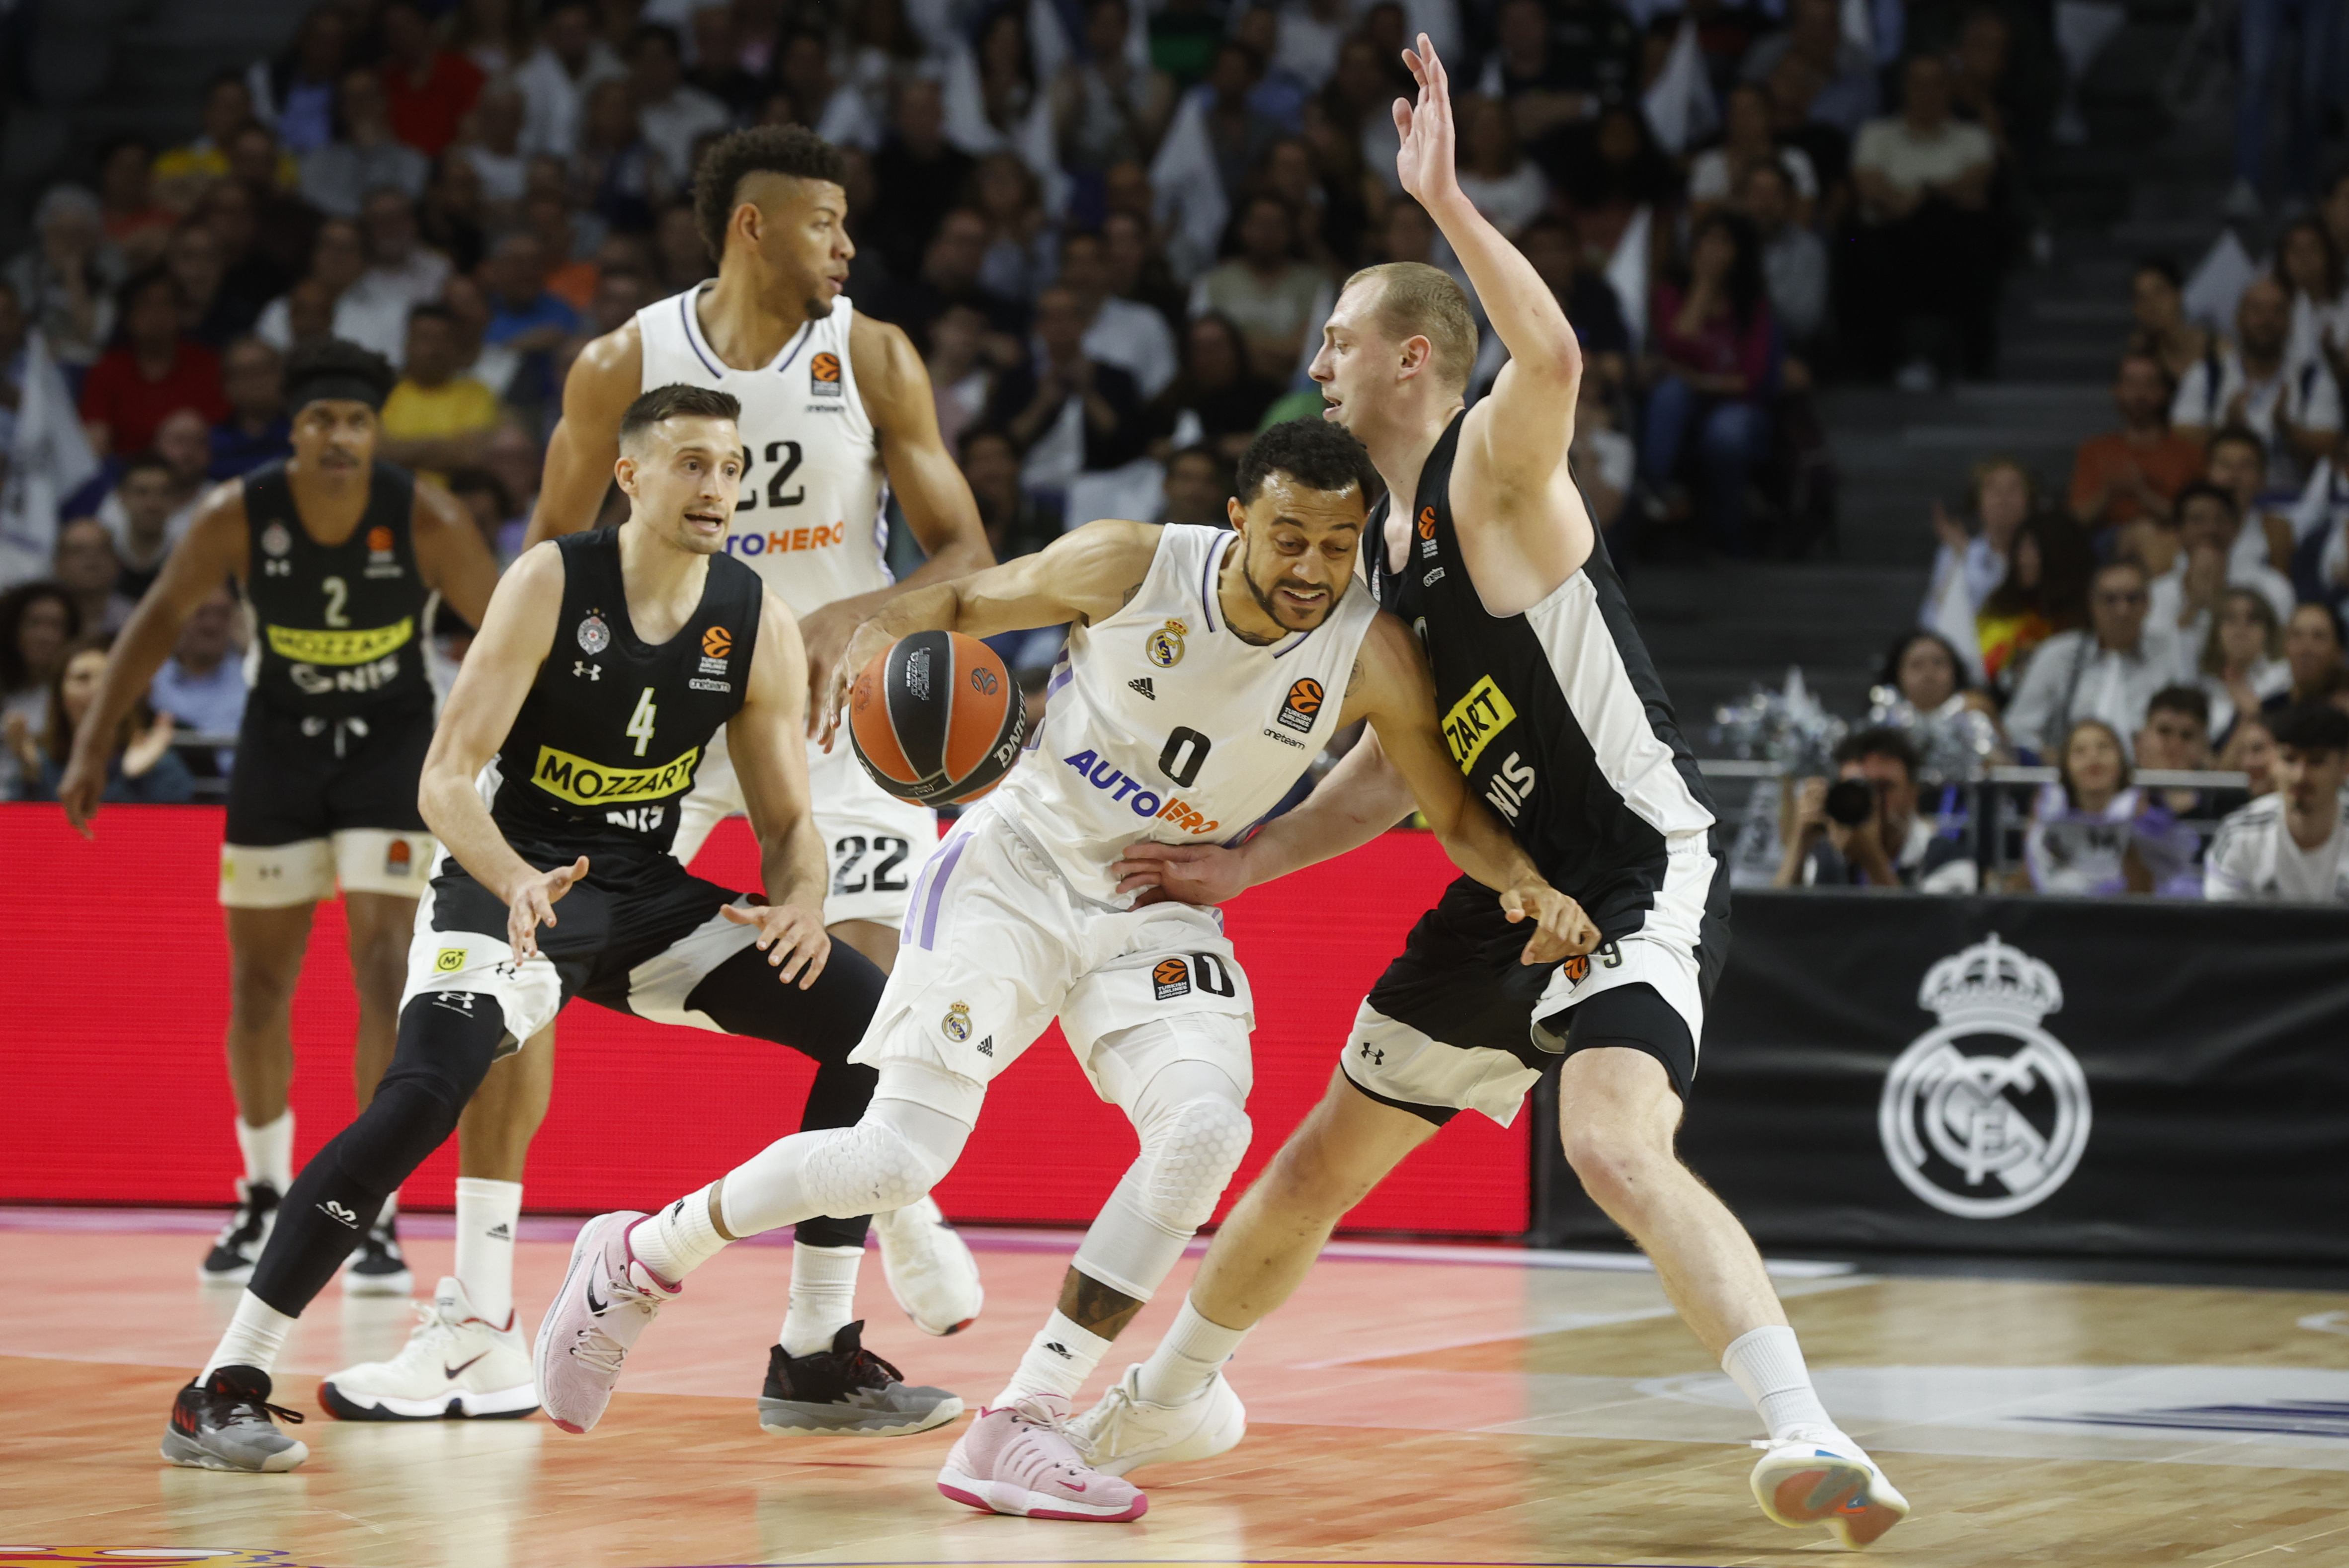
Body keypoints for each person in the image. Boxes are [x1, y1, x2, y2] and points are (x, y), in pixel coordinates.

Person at [1074, 40, 1908, 1550]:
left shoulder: (1485, 477)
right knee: (1320, 1158)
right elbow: (1394, 774)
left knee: (1608, 1143)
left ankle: (1806, 1426)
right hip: (1506, 887)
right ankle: (1175, 1390)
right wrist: (1239, 864)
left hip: (1637, 868)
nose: (1314, 362)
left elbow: (1563, 362)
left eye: (1337, 339)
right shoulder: (1379, 567)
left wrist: (1446, 201)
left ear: (1408, 356)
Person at [531, 416, 1590, 1518]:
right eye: (1288, 539)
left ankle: (1023, 1419)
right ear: (1236, 523)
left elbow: (1444, 802)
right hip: (1016, 868)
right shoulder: (1130, 561)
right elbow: (952, 601)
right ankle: (641, 1254)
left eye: (1335, 544)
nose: (1311, 569)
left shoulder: (1368, 654)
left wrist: (1523, 881)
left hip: (1156, 906)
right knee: (896, 1160)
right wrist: (872, 639)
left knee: (1204, 1131)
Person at [157, 384, 962, 1471]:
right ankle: (226, 1384)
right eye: (689, 464)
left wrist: (804, 902)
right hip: (503, 874)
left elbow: (786, 825)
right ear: (629, 476)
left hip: (638, 896)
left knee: (877, 1033)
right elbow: (445, 781)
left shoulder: (752, 616)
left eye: (728, 468)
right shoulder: (550, 582)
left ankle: (814, 1355)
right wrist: (514, 881)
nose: (715, 488)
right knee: (419, 1100)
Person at [527, 126, 998, 1357]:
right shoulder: (622, 360)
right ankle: (468, 1300)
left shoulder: (877, 355)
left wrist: (861, 612)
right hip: (662, 715)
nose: (848, 245)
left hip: (837, 720)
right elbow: (551, 561)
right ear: (753, 226)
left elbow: (965, 553)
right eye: (825, 222)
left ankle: (815, 1336)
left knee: (884, 1007)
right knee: (531, 974)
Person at [56, 340, 514, 1313]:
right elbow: (157, 618)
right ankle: (264, 1194)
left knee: (385, 968)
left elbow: (514, 631)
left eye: (354, 422)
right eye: (320, 422)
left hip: (390, 751)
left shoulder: (425, 517)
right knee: (260, 980)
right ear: (294, 432)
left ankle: (371, 1206)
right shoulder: (236, 514)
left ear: (374, 433)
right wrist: (96, 739)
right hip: (281, 750)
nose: (338, 437)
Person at [1847, 54, 2000, 386]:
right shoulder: (1876, 133)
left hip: (1948, 239)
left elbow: (1976, 180)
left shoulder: (1971, 136)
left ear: (1949, 89)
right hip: (1886, 236)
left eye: (1936, 84)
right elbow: (1869, 188)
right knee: (1865, 246)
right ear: (1904, 89)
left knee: (1965, 235)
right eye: (1918, 84)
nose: (1926, 93)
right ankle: (1878, 363)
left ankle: (1972, 362)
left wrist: (1917, 196)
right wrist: (1934, 193)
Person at [1640, 210, 1775, 554]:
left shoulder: (1753, 305)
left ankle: (1728, 531)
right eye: (1707, 239)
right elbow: (1674, 344)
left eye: (1724, 242)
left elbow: (1748, 379)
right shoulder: (1672, 292)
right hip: (1683, 400)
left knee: (1726, 432)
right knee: (1670, 394)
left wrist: (1696, 379)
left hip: (1737, 409)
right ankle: (1652, 497)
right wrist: (1703, 285)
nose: (1713, 250)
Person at [984, 284, 1152, 501]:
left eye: (1069, 316)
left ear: (1085, 322)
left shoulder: (1116, 378)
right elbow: (1004, 443)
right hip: (1030, 489)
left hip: (1104, 489)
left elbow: (1129, 442)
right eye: (1051, 318)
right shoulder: (1016, 379)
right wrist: (1041, 404)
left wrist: (1088, 394)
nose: (1060, 326)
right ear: (1038, 326)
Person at [2173, 276, 2340, 492]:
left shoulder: (2312, 378)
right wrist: (2229, 428)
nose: (2266, 319)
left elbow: (2330, 444)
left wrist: (2286, 430)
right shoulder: (2207, 374)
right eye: (2257, 310)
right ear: (2238, 318)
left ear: (2290, 323)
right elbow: (2180, 437)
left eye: (2277, 311)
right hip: (2223, 504)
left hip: (2295, 504)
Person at [2003, 557, 2184, 755]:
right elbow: (2016, 729)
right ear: (2092, 604)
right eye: (2110, 599)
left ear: (2148, 604)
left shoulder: (2171, 654)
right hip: (2069, 778)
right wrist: (2048, 757)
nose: (2123, 611)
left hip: (2150, 779)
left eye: (2133, 599)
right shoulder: (2058, 654)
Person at [1775, 727, 1979, 892]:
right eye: (1857, 788)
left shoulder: (1947, 859)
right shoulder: (1825, 854)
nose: (1873, 801)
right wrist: (1799, 846)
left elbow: (1928, 934)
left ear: (1913, 794)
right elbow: (1772, 925)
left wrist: (1872, 859)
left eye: (1883, 788)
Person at [5, 633, 192, 805]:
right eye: (83, 678)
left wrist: (138, 776)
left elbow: (179, 830)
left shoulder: (156, 759)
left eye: (108, 678)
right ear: (60, 695)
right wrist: (29, 775)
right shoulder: (39, 760)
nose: (96, 690)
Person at [2024, 718, 2194, 895]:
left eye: (2103, 747)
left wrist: (2138, 831)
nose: (2093, 757)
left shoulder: (2148, 816)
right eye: (2080, 751)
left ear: (2122, 760)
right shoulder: (2049, 820)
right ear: (2066, 767)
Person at [2205, 704, 2349, 900]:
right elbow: (2223, 927)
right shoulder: (2238, 835)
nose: (2300, 776)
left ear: (2345, 767)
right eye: (2289, 759)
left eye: (2316, 762)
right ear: (2272, 763)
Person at [80, 271, 230, 460]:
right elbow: (96, 440)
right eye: (145, 305)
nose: (156, 315)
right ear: (127, 316)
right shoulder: (108, 369)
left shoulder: (208, 364)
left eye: (166, 304)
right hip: (129, 477)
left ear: (181, 313)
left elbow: (219, 433)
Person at [2068, 354, 2203, 532]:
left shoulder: (2189, 453)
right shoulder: (2094, 450)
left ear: (2164, 392)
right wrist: (2108, 493)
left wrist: (2143, 494)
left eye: (2149, 385)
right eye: (2131, 384)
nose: (2140, 395)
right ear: (2116, 390)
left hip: (2173, 540)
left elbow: (2197, 520)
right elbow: (2074, 522)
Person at [378, 305, 503, 486]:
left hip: (455, 504)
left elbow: (472, 456)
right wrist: (445, 448)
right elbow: (373, 453)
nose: (434, 349)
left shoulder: (477, 393)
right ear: (407, 344)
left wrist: (400, 450)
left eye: (443, 339)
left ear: (456, 346)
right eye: (425, 339)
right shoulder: (382, 389)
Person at [150, 584, 249, 773]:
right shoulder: (148, 681)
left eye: (222, 614)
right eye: (201, 613)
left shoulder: (253, 682)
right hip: (163, 798)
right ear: (177, 617)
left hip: (232, 791)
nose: (212, 625)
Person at [0, 582, 81, 798]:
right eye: (34, 624)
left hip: (42, 809)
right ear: (13, 629)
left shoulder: (77, 696)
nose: (44, 636)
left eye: (56, 626)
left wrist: (30, 761)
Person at [2199, 586, 2292, 744]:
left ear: (2268, 631)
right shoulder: (2203, 688)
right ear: (2216, 631)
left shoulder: (2285, 677)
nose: (2241, 627)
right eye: (2230, 618)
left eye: (2253, 619)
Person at [2127, 257, 2216, 388]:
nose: (2151, 305)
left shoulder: (2217, 352)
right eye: (2142, 298)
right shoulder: (2138, 357)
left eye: (2159, 292)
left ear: (2178, 294)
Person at [54, 517, 135, 635]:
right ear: (58, 564)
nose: (91, 561)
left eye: (102, 550)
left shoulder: (136, 622)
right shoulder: (43, 624)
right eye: (78, 551)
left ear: (117, 562)